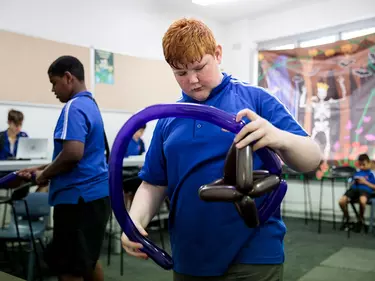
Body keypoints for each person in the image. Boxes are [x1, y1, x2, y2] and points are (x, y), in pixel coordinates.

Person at [121, 18, 321, 281]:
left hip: (254, 253)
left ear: (217, 53)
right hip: (190, 255)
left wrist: (279, 137)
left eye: (199, 67)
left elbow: (312, 158)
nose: (192, 80)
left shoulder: (255, 99)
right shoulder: (168, 120)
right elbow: (154, 184)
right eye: (181, 73)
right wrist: (134, 221)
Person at [17, 55, 110, 281]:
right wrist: (45, 167)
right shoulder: (91, 105)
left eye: (54, 83)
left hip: (77, 200)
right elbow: (81, 155)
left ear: (68, 78)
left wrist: (44, 175)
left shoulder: (73, 107)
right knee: (87, 261)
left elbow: (72, 154)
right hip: (95, 198)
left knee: (69, 270)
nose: (53, 90)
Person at [339, 153, 375, 232]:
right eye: (360, 165)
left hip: (365, 190)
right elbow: (350, 182)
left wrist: (365, 182)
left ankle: (360, 220)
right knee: (342, 201)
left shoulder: (372, 174)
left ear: (369, 163)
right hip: (354, 189)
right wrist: (353, 181)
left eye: (364, 165)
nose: (361, 167)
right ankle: (348, 219)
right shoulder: (357, 172)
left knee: (362, 201)